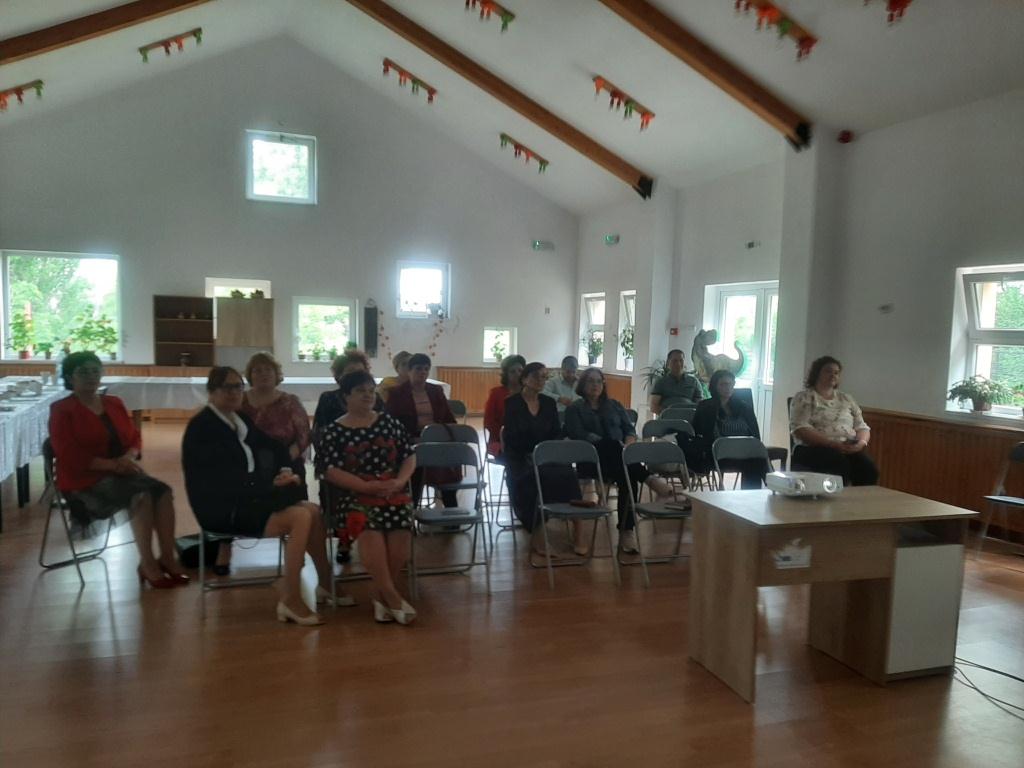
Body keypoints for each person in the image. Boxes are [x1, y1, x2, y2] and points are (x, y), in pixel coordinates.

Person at [182, 367, 347, 626]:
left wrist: (285, 470)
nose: (235, 392)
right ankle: (291, 597)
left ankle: (325, 583)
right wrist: (270, 484)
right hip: (221, 508)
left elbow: (273, 446)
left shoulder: (238, 419)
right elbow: (223, 480)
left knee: (313, 511)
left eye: (238, 387)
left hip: (247, 497)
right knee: (300, 517)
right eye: (227, 387)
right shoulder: (203, 427)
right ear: (212, 391)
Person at [49, 351, 189, 589]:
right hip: (84, 480)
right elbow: (69, 455)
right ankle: (147, 563)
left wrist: (128, 457)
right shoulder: (62, 409)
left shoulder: (114, 403)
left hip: (122, 470)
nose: (91, 376)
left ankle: (167, 557)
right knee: (141, 496)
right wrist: (114, 465)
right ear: (70, 378)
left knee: (163, 491)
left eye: (95, 370)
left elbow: (134, 438)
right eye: (83, 372)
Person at [317, 370, 418, 624]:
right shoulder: (334, 430)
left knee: (401, 531)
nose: (368, 395)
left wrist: (400, 481)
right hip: (353, 494)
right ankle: (392, 598)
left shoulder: (388, 422)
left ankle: (381, 595)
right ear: (346, 396)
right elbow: (329, 470)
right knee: (369, 526)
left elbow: (409, 455)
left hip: (391, 490)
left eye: (371, 391)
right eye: (360, 391)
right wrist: (364, 486)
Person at [565, 367, 675, 554]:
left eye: (599, 381)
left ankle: (627, 531)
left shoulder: (614, 405)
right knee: (612, 447)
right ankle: (649, 479)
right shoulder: (574, 409)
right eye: (590, 381)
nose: (595, 385)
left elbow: (629, 429)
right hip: (592, 461)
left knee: (628, 478)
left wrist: (628, 443)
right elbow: (579, 434)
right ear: (582, 385)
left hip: (620, 460)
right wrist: (614, 446)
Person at [313, 348, 383, 564]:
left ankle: (375, 536)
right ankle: (344, 541)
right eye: (350, 372)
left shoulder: (376, 398)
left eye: (360, 371)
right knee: (336, 492)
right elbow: (319, 433)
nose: (356, 376)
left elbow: (384, 433)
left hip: (371, 462)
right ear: (339, 376)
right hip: (338, 463)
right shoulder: (328, 398)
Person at [503, 362, 581, 556]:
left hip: (546, 456)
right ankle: (538, 534)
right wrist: (534, 453)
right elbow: (512, 436)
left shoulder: (548, 403)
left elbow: (555, 432)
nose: (541, 380)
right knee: (532, 478)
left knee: (568, 474)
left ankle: (579, 531)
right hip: (521, 458)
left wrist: (548, 451)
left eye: (544, 377)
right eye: (537, 376)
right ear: (524, 379)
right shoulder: (512, 403)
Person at [789, 356, 878, 486]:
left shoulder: (846, 399)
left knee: (868, 468)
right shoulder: (804, 397)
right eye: (828, 371)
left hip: (845, 447)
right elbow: (800, 428)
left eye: (836, 372)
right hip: (813, 448)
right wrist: (832, 444)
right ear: (817, 373)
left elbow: (862, 427)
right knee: (839, 463)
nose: (833, 375)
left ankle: (858, 499)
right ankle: (836, 499)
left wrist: (861, 443)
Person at [385, 353, 457, 507]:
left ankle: (451, 509)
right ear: (409, 371)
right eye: (418, 369)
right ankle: (412, 507)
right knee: (416, 465)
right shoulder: (397, 393)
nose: (423, 372)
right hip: (409, 441)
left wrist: (441, 436)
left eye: (426, 369)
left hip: (435, 439)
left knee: (447, 462)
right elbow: (391, 423)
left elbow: (449, 419)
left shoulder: (436, 391)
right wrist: (411, 439)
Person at [691, 369, 765, 489]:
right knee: (757, 461)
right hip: (718, 454)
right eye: (723, 384)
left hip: (744, 451)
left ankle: (760, 493)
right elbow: (697, 432)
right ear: (715, 386)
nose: (728, 388)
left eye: (730, 384)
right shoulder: (705, 407)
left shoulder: (744, 407)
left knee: (759, 460)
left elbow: (755, 434)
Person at [483, 354, 526, 456]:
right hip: (500, 440)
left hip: (526, 440)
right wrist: (506, 436)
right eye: (512, 371)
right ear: (506, 374)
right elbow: (489, 422)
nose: (517, 374)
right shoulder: (496, 393)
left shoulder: (529, 393)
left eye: (520, 371)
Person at [649, 349, 704, 415]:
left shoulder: (694, 382)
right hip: (667, 418)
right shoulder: (661, 382)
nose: (678, 364)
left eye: (681, 360)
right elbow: (653, 406)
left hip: (689, 417)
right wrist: (668, 414)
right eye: (675, 361)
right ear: (668, 363)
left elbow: (700, 404)